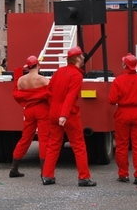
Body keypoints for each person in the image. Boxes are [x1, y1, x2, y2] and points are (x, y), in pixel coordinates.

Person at [41, 46, 96, 187]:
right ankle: (83, 177)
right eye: (82, 56)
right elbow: (71, 97)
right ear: (77, 58)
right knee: (78, 145)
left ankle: (47, 176)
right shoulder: (77, 75)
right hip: (68, 114)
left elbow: (49, 90)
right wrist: (64, 114)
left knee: (53, 144)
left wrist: (54, 106)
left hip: (53, 112)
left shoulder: (59, 72)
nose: (84, 58)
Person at [107, 53, 137, 185]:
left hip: (123, 113)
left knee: (122, 145)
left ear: (124, 65)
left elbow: (112, 100)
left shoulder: (118, 81)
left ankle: (123, 174)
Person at [10, 55, 51, 178]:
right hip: (42, 110)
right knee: (44, 140)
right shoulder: (43, 80)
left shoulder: (21, 80)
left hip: (29, 110)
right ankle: (44, 172)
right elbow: (51, 94)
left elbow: (18, 94)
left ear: (27, 67)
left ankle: (14, 168)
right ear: (38, 65)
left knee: (25, 139)